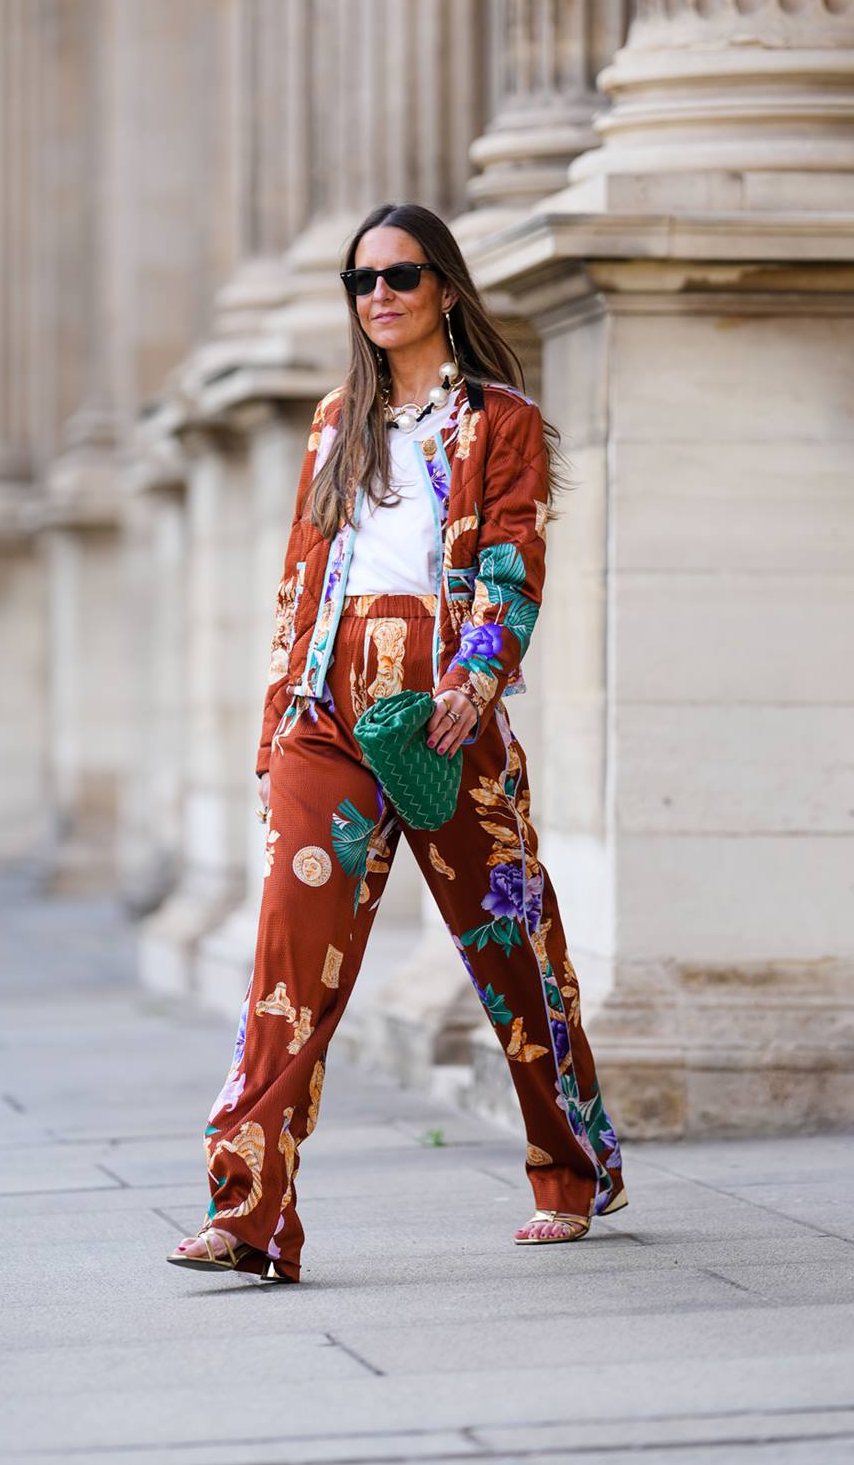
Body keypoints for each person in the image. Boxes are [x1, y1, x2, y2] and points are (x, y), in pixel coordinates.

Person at [167, 201, 625, 1283]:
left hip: (441, 711)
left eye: (401, 277)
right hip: (328, 718)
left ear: (446, 290)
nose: (378, 296)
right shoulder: (334, 423)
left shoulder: (497, 421)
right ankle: (248, 1212)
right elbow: (300, 580)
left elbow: (512, 557)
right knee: (287, 951)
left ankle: (571, 1164)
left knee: (508, 942)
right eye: (360, 280)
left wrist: (476, 672)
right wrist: (280, 721)